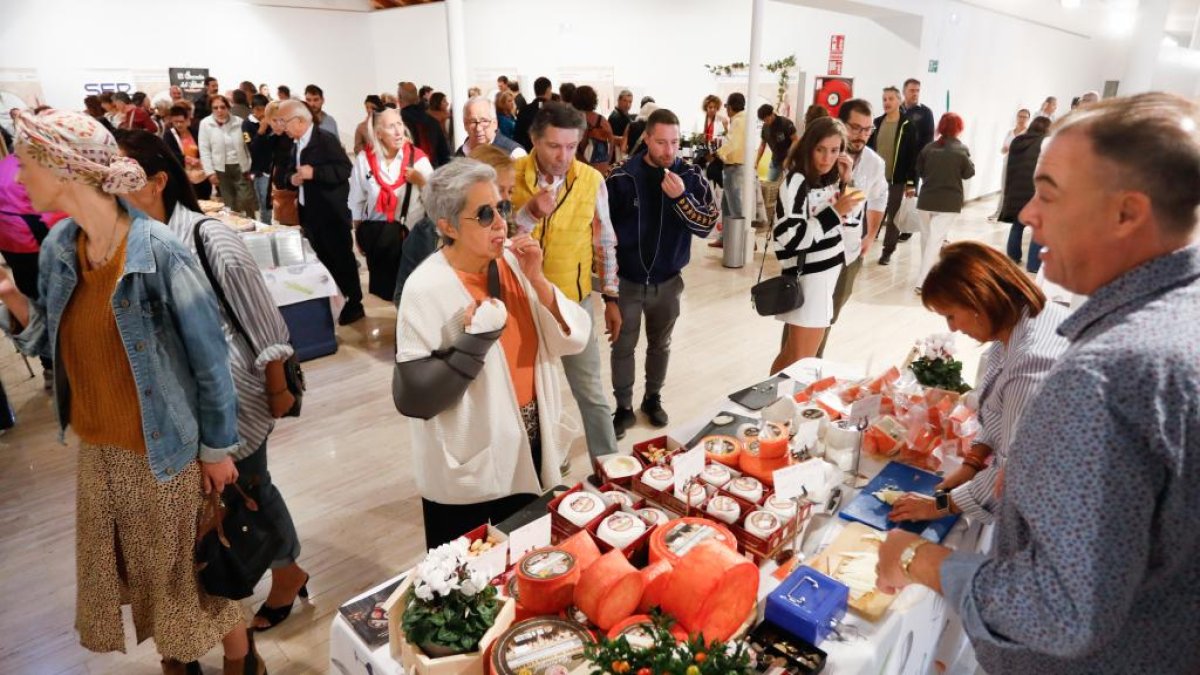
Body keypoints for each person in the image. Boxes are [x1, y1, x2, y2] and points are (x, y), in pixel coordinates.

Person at [875, 91, 1200, 675]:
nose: (1026, 213)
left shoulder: (1105, 375)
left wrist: (920, 560)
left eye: (1047, 193)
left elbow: (1061, 608)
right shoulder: (1172, 321)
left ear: (1126, 214)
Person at [0, 109, 262, 675]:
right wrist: (11, 298)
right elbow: (49, 343)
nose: (17, 177)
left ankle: (242, 660)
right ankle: (179, 660)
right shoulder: (58, 250)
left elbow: (210, 361)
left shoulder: (159, 250)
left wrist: (216, 451)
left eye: (24, 163)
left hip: (165, 448)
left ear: (64, 168)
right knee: (145, 569)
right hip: (100, 448)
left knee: (193, 569)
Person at [117, 129, 311, 634]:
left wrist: (276, 391)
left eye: (122, 174)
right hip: (181, 403)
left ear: (157, 180)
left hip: (234, 394)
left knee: (251, 487)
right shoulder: (133, 241)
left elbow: (265, 322)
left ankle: (287, 570)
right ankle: (268, 565)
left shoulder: (206, 235)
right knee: (229, 493)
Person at [394, 159, 590, 549]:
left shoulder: (515, 264)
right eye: (485, 215)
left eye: (501, 207)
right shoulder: (426, 288)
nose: (501, 222)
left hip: (531, 440)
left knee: (525, 554)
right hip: (472, 456)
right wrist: (472, 342)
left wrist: (537, 278)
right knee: (468, 574)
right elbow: (415, 396)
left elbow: (572, 338)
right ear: (447, 226)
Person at [889, 242, 1068, 525]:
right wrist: (972, 462)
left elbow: (1013, 477)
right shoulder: (1017, 320)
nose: (951, 328)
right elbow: (999, 412)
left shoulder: (1030, 367)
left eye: (951, 315)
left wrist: (940, 505)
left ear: (979, 300)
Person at [512, 102, 621, 463]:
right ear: (534, 140)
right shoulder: (510, 176)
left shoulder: (591, 180)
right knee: (529, 396)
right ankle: (542, 472)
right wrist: (528, 214)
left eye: (571, 147)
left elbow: (604, 241)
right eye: (554, 146)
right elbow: (492, 239)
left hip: (572, 302)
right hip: (520, 304)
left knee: (590, 391)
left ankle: (610, 470)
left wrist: (611, 295)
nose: (563, 156)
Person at [606, 108, 718, 438]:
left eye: (675, 142)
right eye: (660, 142)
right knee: (622, 347)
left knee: (661, 344)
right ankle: (623, 407)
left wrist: (680, 198)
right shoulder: (623, 176)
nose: (669, 150)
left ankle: (652, 398)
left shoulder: (691, 175)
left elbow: (707, 226)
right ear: (647, 139)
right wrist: (608, 291)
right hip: (627, 281)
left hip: (669, 281)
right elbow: (604, 236)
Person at [769, 117, 863, 374]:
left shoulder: (830, 179)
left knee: (792, 358)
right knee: (800, 362)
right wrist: (834, 212)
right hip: (809, 280)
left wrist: (847, 183)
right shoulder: (797, 181)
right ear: (809, 146)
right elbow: (792, 237)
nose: (826, 158)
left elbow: (851, 229)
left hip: (825, 278)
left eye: (834, 150)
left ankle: (771, 408)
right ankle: (778, 410)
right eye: (821, 149)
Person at [280, 99, 365, 325]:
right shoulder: (296, 144)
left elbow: (344, 169)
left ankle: (354, 303)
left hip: (331, 213)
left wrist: (315, 173)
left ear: (299, 120)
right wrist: (293, 178)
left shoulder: (325, 140)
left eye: (284, 121)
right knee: (323, 259)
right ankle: (335, 300)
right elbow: (287, 174)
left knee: (342, 259)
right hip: (310, 213)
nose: (282, 126)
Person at [816, 98, 889, 357]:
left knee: (830, 314)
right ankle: (791, 374)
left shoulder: (874, 163)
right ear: (841, 123)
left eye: (868, 129)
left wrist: (871, 234)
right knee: (805, 318)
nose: (861, 136)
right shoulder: (823, 155)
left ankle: (813, 367)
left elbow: (879, 196)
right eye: (856, 128)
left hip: (849, 250)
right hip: (815, 249)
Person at [0, 138, 65, 389]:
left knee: (37, 300)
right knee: (54, 302)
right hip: (37, 241)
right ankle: (56, 363)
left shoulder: (13, 165)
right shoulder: (25, 166)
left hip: (18, 247)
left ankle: (50, 365)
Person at [348, 108, 434, 299]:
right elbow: (356, 199)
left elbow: (437, 198)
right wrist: (358, 233)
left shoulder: (417, 158)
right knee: (390, 290)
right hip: (380, 238)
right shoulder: (365, 160)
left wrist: (421, 181)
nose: (398, 131)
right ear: (378, 133)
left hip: (412, 238)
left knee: (414, 289)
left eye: (399, 124)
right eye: (390, 127)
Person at [913, 112, 975, 289]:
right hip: (948, 203)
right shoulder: (961, 149)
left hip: (925, 201)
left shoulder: (928, 148)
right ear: (958, 128)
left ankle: (925, 275)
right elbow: (969, 173)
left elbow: (921, 171)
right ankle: (923, 282)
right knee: (935, 240)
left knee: (927, 239)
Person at [867, 86, 919, 265]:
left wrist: (911, 183)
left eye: (890, 99)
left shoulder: (907, 125)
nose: (886, 102)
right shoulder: (876, 123)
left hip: (896, 180)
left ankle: (887, 251)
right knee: (870, 214)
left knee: (893, 218)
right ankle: (862, 246)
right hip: (875, 180)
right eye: (884, 99)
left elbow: (913, 156)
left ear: (899, 101)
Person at [1001, 116, 1052, 271]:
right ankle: (1033, 265)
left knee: (1017, 225)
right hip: (1034, 191)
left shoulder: (1018, 141)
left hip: (1015, 188)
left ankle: (1012, 258)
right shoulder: (1045, 143)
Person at [198, 94, 257, 217]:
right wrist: (210, 172)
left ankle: (252, 223)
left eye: (222, 107)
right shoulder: (205, 124)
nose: (219, 110)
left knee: (246, 199)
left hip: (240, 166)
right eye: (215, 108)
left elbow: (248, 145)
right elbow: (204, 150)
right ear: (211, 109)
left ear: (228, 107)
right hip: (221, 168)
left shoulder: (239, 122)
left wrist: (249, 164)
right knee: (229, 203)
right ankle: (236, 229)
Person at [710, 93, 748, 249]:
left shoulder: (739, 121)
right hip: (734, 166)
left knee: (734, 206)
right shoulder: (742, 119)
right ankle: (725, 238)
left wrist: (718, 153)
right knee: (727, 205)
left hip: (735, 166)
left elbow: (732, 143)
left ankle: (742, 241)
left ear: (731, 107)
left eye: (726, 107)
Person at [989, 108, 1031, 221]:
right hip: (1007, 164)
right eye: (1020, 116)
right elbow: (1003, 150)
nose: (1021, 119)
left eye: (1024, 117)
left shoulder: (1028, 134)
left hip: (1020, 166)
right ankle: (999, 212)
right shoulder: (1010, 132)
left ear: (1028, 119)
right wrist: (1005, 149)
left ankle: (1016, 214)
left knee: (1017, 191)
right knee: (1004, 188)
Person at [163, 104, 212, 200]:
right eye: (175, 122)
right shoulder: (169, 135)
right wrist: (187, 159)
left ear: (187, 120)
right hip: (183, 175)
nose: (179, 125)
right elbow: (170, 152)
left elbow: (204, 147)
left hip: (200, 173)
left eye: (181, 121)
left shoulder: (195, 132)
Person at [398, 81, 451, 168]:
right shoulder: (432, 121)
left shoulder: (399, 122)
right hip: (433, 172)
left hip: (408, 174)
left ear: (400, 98)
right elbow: (444, 156)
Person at [455, 96, 525, 158]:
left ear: (495, 123)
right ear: (465, 124)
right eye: (473, 122)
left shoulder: (513, 154)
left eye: (484, 121)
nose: (478, 128)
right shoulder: (459, 155)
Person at [244, 94, 276, 224]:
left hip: (275, 167)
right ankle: (266, 225)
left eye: (264, 109)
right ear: (252, 109)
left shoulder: (273, 122)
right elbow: (251, 148)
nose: (262, 113)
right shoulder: (247, 124)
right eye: (258, 109)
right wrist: (261, 131)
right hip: (260, 170)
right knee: (264, 201)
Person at [572, 85, 615, 176]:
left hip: (581, 172)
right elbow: (611, 147)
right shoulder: (603, 121)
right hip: (600, 173)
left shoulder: (575, 120)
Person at [756, 104, 798, 183]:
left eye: (767, 119)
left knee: (792, 184)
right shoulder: (765, 127)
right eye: (763, 120)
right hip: (776, 160)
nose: (765, 122)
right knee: (769, 183)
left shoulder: (785, 123)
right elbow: (762, 145)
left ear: (772, 114)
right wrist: (756, 162)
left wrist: (788, 158)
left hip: (791, 160)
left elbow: (796, 140)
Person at [513, 76, 552, 151]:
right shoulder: (555, 110)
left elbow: (517, 136)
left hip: (528, 152)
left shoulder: (524, 110)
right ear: (548, 90)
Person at [901, 78, 935, 157]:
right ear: (904, 92)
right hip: (897, 159)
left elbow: (929, 139)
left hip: (916, 159)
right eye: (912, 90)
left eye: (917, 90)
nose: (915, 93)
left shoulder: (926, 112)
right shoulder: (896, 110)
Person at [608, 89, 634, 161]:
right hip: (617, 154)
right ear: (619, 100)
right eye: (625, 101)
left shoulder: (625, 115)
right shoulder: (615, 117)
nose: (627, 104)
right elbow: (610, 138)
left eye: (630, 102)